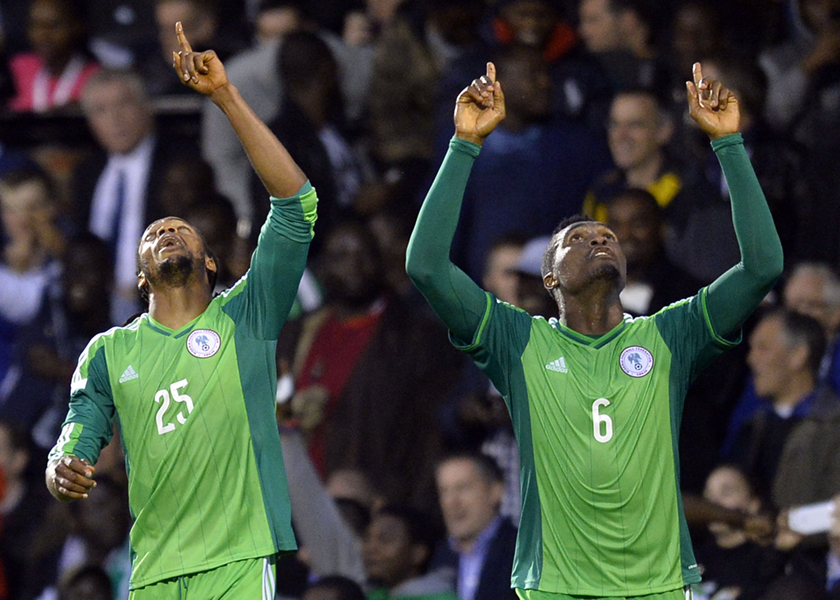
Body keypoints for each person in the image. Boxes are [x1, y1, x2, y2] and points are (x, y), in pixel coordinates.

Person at [405, 60, 783, 598]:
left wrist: (729, 146)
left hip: (655, 586)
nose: (599, 239)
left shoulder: (669, 335)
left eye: (607, 236)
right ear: (549, 276)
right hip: (557, 586)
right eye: (579, 238)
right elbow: (425, 265)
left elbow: (762, 267)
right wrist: (465, 143)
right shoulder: (519, 342)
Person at [45, 21, 318, 598]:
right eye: (155, 231)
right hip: (154, 569)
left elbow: (296, 203)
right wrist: (62, 464)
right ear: (141, 274)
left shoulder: (249, 315)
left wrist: (224, 97)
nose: (168, 229)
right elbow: (80, 429)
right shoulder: (109, 350)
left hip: (239, 557)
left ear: (211, 261)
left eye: (181, 228)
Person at [431, 453, 517, 600]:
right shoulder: (439, 557)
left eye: (462, 488)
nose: (452, 502)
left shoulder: (522, 551)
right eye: (444, 491)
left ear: (495, 491)